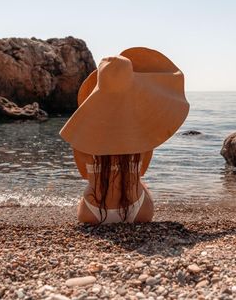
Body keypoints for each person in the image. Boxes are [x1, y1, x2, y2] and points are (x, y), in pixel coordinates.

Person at [59, 47, 189, 224]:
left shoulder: (82, 132)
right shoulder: (144, 129)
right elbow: (141, 172)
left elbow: (84, 175)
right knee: (139, 182)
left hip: (91, 212)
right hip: (138, 210)